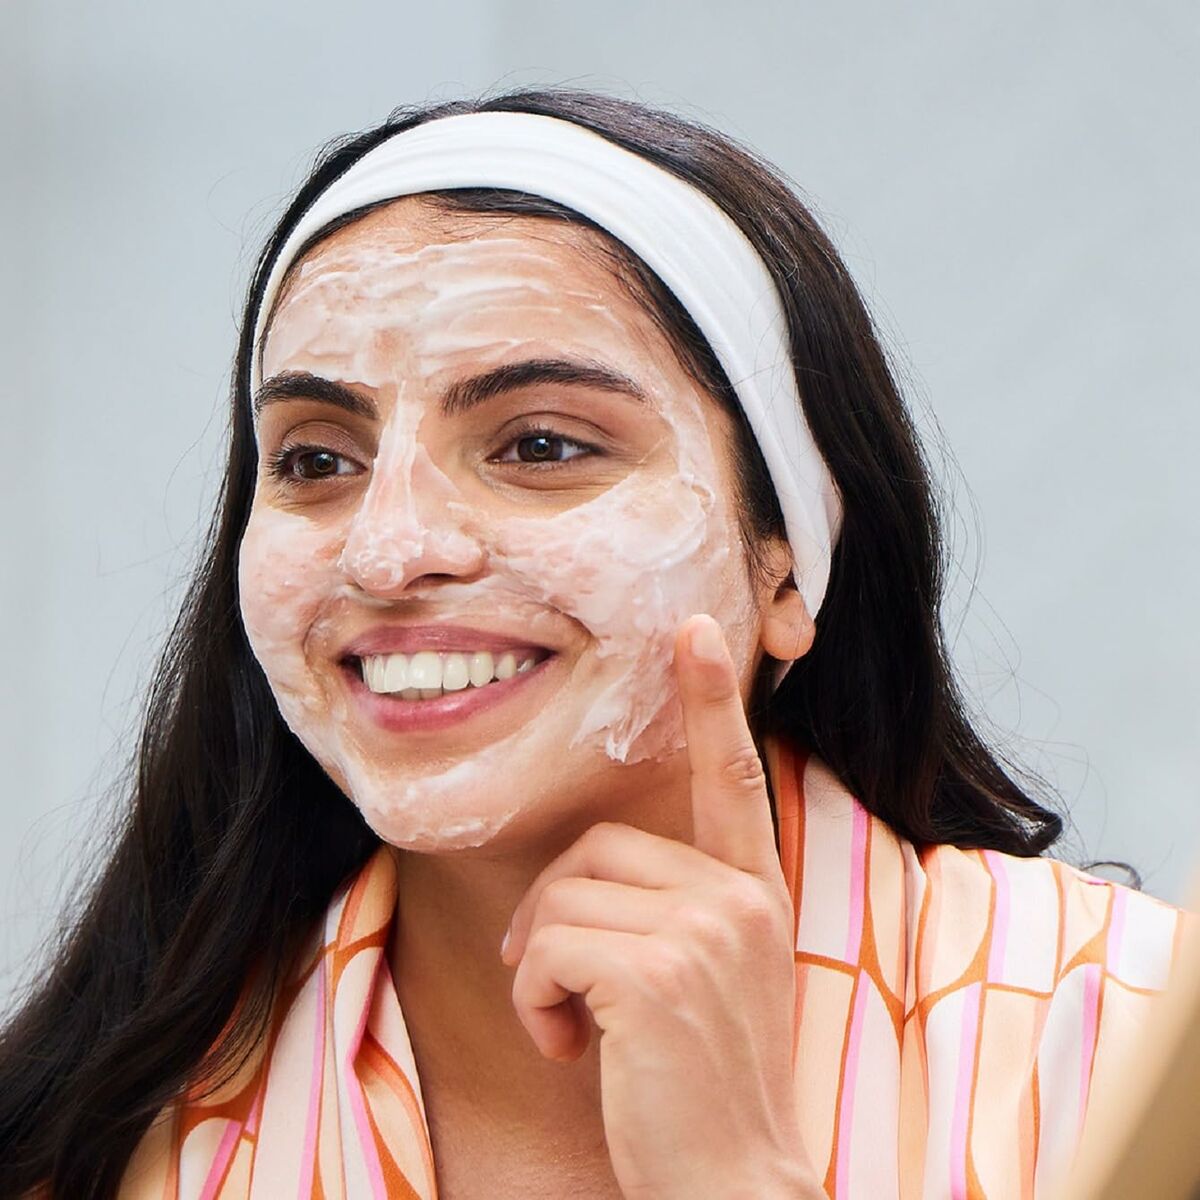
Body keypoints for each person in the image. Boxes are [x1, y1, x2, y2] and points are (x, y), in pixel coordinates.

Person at [0, 87, 1189, 1200]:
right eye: (316, 460)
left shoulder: (1123, 1049)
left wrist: (735, 1176)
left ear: (787, 566)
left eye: (542, 445)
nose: (389, 550)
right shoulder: (91, 1139)